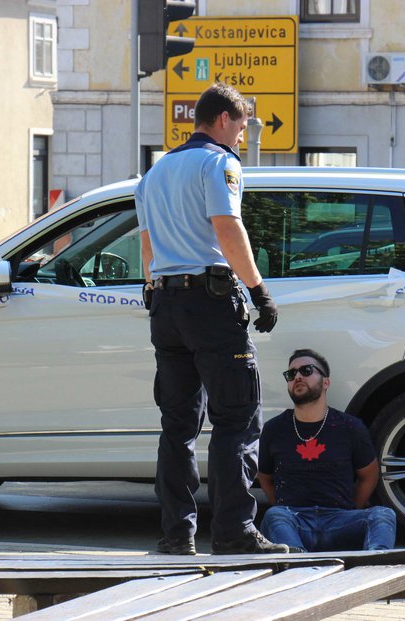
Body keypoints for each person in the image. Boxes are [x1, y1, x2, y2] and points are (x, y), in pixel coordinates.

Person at [136, 83, 287, 556]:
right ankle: (234, 532)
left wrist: (154, 290)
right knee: (236, 421)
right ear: (223, 119)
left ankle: (176, 536)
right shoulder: (219, 163)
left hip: (165, 302)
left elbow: (147, 245)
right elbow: (227, 227)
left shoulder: (155, 173)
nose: (242, 137)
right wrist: (260, 291)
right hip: (210, 303)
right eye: (241, 126)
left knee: (177, 426)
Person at [257, 349, 396, 552]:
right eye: (291, 374)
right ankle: (298, 562)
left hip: (340, 521)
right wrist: (286, 509)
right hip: (295, 520)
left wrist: (350, 509)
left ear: (326, 382)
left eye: (306, 370)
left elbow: (369, 475)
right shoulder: (274, 429)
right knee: (275, 514)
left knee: (384, 515)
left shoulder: (350, 427)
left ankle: (375, 563)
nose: (297, 376)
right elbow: (265, 477)